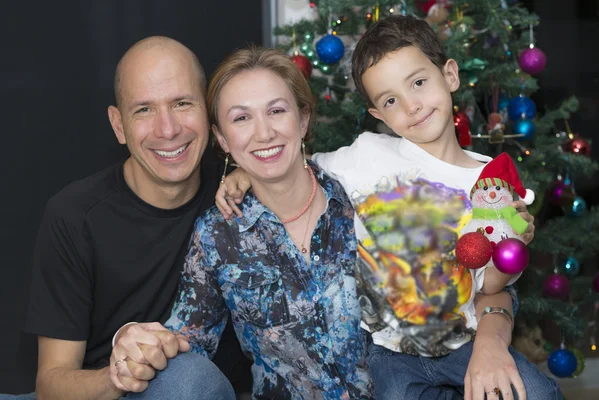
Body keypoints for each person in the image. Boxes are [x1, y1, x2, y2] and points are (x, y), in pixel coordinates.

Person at [216, 16, 560, 400]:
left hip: (463, 343)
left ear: (449, 75)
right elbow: (293, 167)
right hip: (387, 352)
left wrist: (509, 249)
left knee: (533, 392)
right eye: (391, 100)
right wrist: (244, 175)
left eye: (418, 82)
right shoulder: (366, 155)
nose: (411, 106)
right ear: (379, 115)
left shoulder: (489, 186)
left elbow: (494, 289)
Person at [110, 46, 374, 399]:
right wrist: (130, 339)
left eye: (276, 111)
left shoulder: (362, 192)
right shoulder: (218, 234)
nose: (263, 133)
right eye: (241, 119)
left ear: (303, 119)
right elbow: (187, 342)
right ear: (222, 139)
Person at [24, 36, 246, 400]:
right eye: (144, 109)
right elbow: (50, 384)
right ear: (118, 125)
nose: (168, 129)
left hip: (199, 390)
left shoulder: (239, 194)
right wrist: (119, 377)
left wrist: (257, 175)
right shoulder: (75, 215)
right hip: (99, 392)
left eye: (182, 103)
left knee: (186, 379)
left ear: (208, 109)